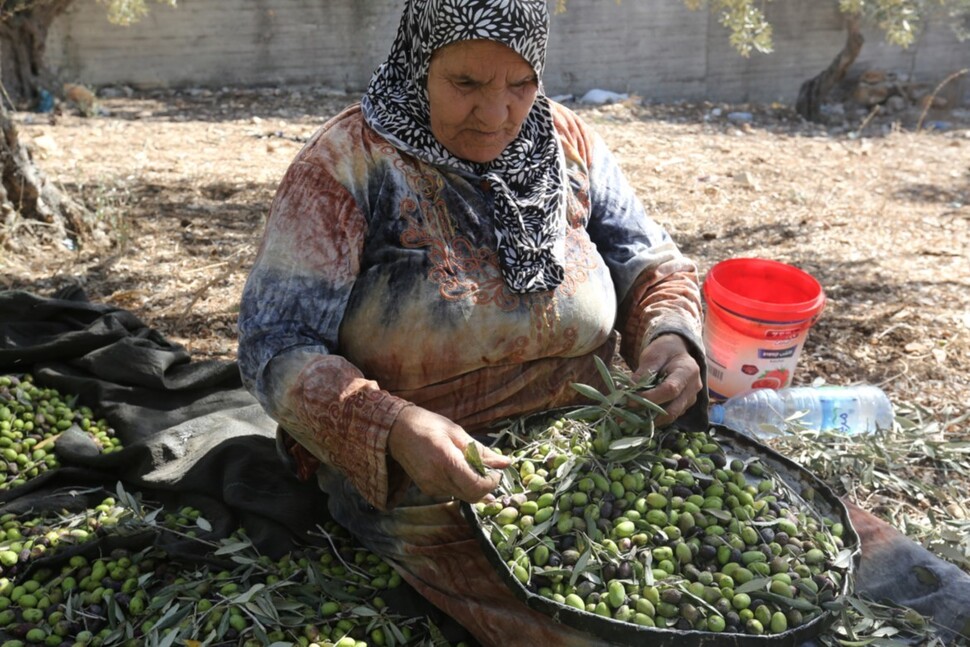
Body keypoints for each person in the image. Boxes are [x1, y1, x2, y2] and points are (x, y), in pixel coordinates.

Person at [238, 1, 970, 645]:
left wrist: (671, 338)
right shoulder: (346, 166)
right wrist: (393, 425)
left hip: (604, 436)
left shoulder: (566, 143)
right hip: (445, 478)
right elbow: (275, 348)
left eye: (520, 84)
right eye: (466, 83)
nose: (497, 113)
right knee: (622, 622)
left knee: (860, 565)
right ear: (416, 64)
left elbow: (650, 261)